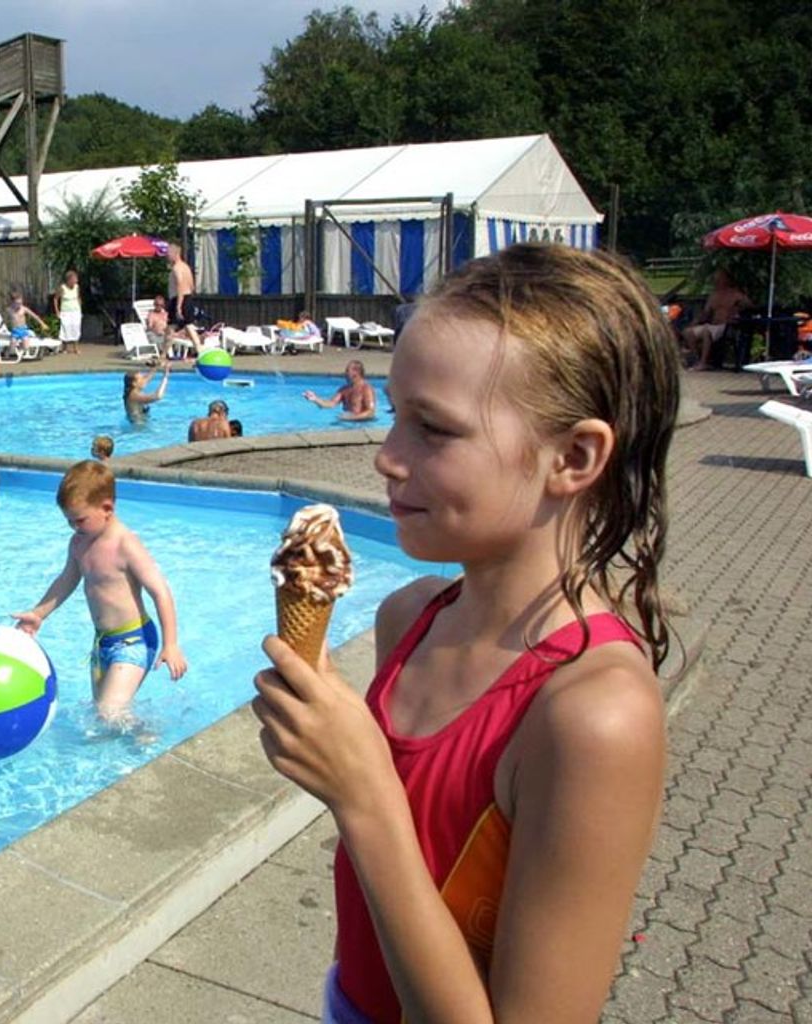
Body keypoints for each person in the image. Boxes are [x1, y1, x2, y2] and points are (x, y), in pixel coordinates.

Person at [253, 242, 677, 1024]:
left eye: (434, 430)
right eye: (393, 416)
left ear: (574, 457)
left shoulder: (592, 715)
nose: (386, 457)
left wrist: (363, 793)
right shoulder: (409, 618)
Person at [13, 459, 186, 724]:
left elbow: (160, 591)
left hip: (134, 641)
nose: (74, 528)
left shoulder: (125, 544)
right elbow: (66, 580)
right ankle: (141, 736)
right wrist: (39, 614)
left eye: (80, 520)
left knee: (109, 713)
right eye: (69, 521)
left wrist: (171, 644)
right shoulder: (79, 543)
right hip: (102, 642)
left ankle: (151, 736)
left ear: (107, 508)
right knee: (101, 714)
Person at [681, 269, 751, 369]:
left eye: (719, 278)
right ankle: (697, 360)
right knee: (687, 332)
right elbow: (706, 313)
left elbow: (749, 306)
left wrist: (738, 309)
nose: (716, 281)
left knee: (706, 331)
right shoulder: (713, 295)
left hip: (726, 325)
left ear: (726, 280)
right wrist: (695, 321)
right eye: (716, 279)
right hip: (713, 325)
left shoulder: (735, 294)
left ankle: (703, 362)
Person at [302, 359, 377, 421]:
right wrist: (315, 399)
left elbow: (371, 412)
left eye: (347, 371)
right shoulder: (344, 389)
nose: (344, 374)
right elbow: (331, 403)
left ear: (356, 373)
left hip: (362, 424)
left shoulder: (366, 389)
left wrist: (351, 418)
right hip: (348, 422)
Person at [165, 242, 201, 353]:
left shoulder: (176, 268)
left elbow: (180, 284)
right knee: (189, 326)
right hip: (188, 297)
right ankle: (200, 352)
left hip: (179, 299)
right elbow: (191, 285)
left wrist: (178, 306)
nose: (167, 256)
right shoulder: (186, 267)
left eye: (168, 254)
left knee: (170, 328)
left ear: (175, 254)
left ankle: (162, 356)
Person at [53, 270, 83, 354]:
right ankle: (64, 347)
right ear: (69, 280)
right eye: (74, 279)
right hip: (65, 312)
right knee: (65, 328)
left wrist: (80, 309)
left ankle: (76, 348)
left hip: (76, 311)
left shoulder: (77, 287)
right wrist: (57, 311)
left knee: (76, 328)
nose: (76, 281)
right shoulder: (62, 288)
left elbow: (78, 297)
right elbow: (55, 299)